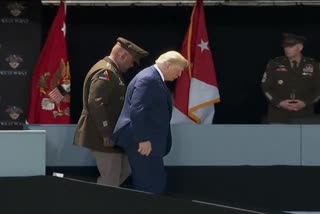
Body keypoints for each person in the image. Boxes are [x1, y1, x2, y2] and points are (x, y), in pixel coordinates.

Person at [74, 37, 148, 186]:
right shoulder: (106, 72)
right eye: (132, 60)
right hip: (103, 137)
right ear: (122, 55)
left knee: (121, 173)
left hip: (112, 137)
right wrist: (106, 132)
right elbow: (96, 103)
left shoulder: (112, 71)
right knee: (110, 181)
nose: (132, 65)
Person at [111, 51, 189, 194]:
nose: (179, 75)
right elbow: (137, 110)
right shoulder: (149, 79)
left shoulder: (153, 78)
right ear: (167, 65)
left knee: (153, 184)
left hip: (148, 143)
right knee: (150, 187)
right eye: (178, 71)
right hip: (143, 144)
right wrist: (142, 139)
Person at [261, 33, 320, 123]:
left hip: (305, 116)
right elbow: (266, 87)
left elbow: (318, 90)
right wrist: (279, 103)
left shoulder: (313, 65)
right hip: (278, 116)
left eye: (290, 46)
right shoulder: (274, 63)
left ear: (300, 47)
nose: (286, 49)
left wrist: (305, 103)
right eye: (285, 46)